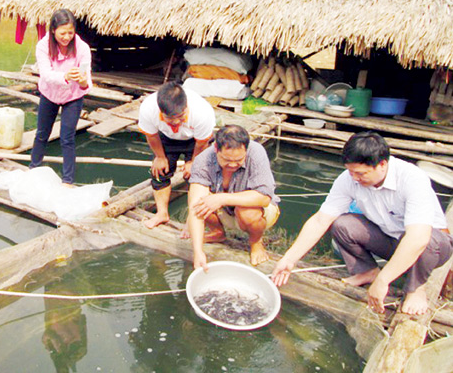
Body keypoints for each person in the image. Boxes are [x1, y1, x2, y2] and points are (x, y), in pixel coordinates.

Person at [271, 132, 453, 316]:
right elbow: (320, 220)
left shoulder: (412, 179)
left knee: (427, 240)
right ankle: (368, 271)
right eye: (351, 172)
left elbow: (417, 238)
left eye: (361, 173)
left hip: (431, 249)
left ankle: (416, 288)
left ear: (382, 164)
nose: (355, 178)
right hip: (389, 239)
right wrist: (289, 259)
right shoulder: (348, 179)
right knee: (342, 224)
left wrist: (384, 281)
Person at [188, 125, 280, 267]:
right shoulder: (202, 161)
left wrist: (222, 198)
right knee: (199, 199)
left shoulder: (256, 152)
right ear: (216, 149)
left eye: (238, 160)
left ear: (246, 150)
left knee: (246, 211)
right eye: (226, 159)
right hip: (225, 211)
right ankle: (217, 232)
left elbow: (264, 198)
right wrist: (198, 251)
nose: (232, 164)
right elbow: (195, 207)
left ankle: (256, 242)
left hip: (259, 211)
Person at [137, 82, 216, 229]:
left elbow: (201, 144)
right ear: (161, 111)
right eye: (170, 118)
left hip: (195, 141)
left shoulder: (202, 112)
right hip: (166, 137)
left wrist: (193, 162)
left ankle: (192, 219)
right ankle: (162, 213)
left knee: (198, 175)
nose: (176, 122)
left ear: (186, 107)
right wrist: (160, 157)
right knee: (159, 172)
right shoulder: (148, 108)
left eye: (180, 116)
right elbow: (152, 135)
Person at [30, 9, 92, 186]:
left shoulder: (82, 48)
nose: (66, 37)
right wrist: (65, 76)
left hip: (73, 95)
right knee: (42, 134)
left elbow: (87, 82)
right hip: (49, 92)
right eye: (62, 33)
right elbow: (46, 75)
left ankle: (67, 180)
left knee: (67, 138)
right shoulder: (43, 46)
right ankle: (33, 169)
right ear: (53, 30)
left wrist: (82, 81)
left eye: (70, 33)